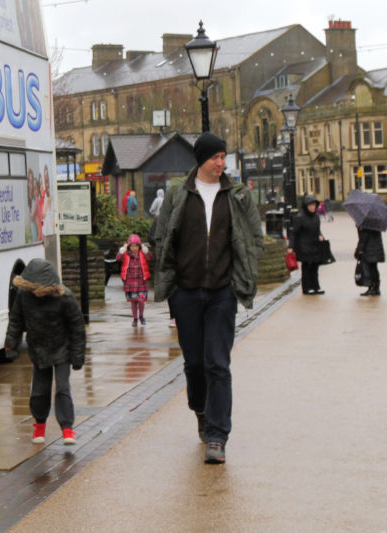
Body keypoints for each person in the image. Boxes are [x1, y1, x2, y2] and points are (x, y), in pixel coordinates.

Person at [153, 132, 262, 465]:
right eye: (215, 157)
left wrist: (242, 272)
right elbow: (161, 236)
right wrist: (169, 281)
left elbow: (255, 237)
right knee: (195, 363)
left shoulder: (238, 196)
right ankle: (200, 409)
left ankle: (217, 435)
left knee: (218, 362)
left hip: (222, 292)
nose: (221, 162)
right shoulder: (178, 193)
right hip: (185, 292)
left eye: (223, 156)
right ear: (201, 159)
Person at [3, 257, 86, 447]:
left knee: (63, 388)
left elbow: (77, 328)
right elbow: (15, 322)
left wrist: (77, 356)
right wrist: (11, 346)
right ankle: (39, 425)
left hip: (62, 348)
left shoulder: (65, 297)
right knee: (40, 390)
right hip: (39, 349)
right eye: (34, 290)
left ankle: (67, 429)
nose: (37, 294)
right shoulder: (24, 297)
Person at [288, 194, 326, 295]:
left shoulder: (317, 217)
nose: (312, 207)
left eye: (314, 205)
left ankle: (316, 287)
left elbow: (318, 230)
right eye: (310, 205)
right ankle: (307, 288)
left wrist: (321, 236)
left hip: (315, 246)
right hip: (304, 247)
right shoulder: (300, 218)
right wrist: (291, 246)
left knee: (315, 268)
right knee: (306, 268)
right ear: (306, 206)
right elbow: (294, 233)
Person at [117, 233, 153, 325]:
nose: (134, 248)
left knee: (141, 300)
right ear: (129, 246)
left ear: (139, 246)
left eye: (136, 246)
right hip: (130, 280)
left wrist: (146, 251)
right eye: (132, 246)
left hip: (141, 280)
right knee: (133, 302)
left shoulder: (142, 254)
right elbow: (118, 258)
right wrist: (122, 250)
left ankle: (141, 316)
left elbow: (150, 258)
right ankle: (135, 318)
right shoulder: (126, 254)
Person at [355, 222, 384, 297]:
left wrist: (359, 250)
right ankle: (375, 287)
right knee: (374, 268)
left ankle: (373, 287)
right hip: (376, 249)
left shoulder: (367, 224)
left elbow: (363, 238)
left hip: (370, 250)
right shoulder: (376, 223)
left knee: (371, 269)